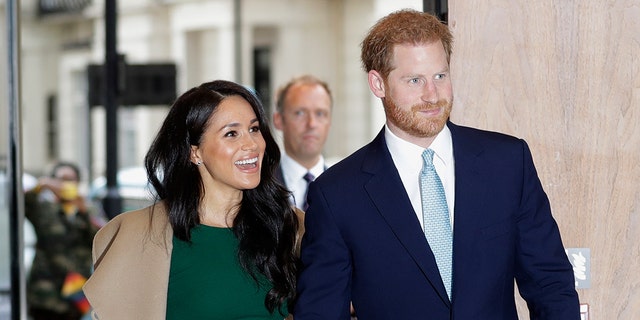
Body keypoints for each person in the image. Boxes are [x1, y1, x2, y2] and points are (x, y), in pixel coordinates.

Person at [294, 9, 580, 319]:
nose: (432, 95)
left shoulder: (508, 163)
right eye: (415, 80)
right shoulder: (336, 194)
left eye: (440, 76)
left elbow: (550, 284)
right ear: (378, 84)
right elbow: (320, 312)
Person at [83, 80, 303, 320]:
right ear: (194, 151)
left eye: (254, 129)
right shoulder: (138, 234)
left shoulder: (293, 227)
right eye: (231, 134)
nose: (251, 144)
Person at [25, 161, 100, 320]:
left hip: (74, 291)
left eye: (70, 179)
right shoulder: (43, 208)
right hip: (44, 293)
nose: (65, 184)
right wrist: (41, 186)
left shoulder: (88, 208)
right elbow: (21, 202)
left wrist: (84, 212)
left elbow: (101, 238)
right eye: (61, 179)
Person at [272, 75, 332, 210]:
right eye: (300, 113)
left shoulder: (345, 188)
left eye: (320, 113)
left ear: (330, 122)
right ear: (279, 120)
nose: (311, 124)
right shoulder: (256, 188)